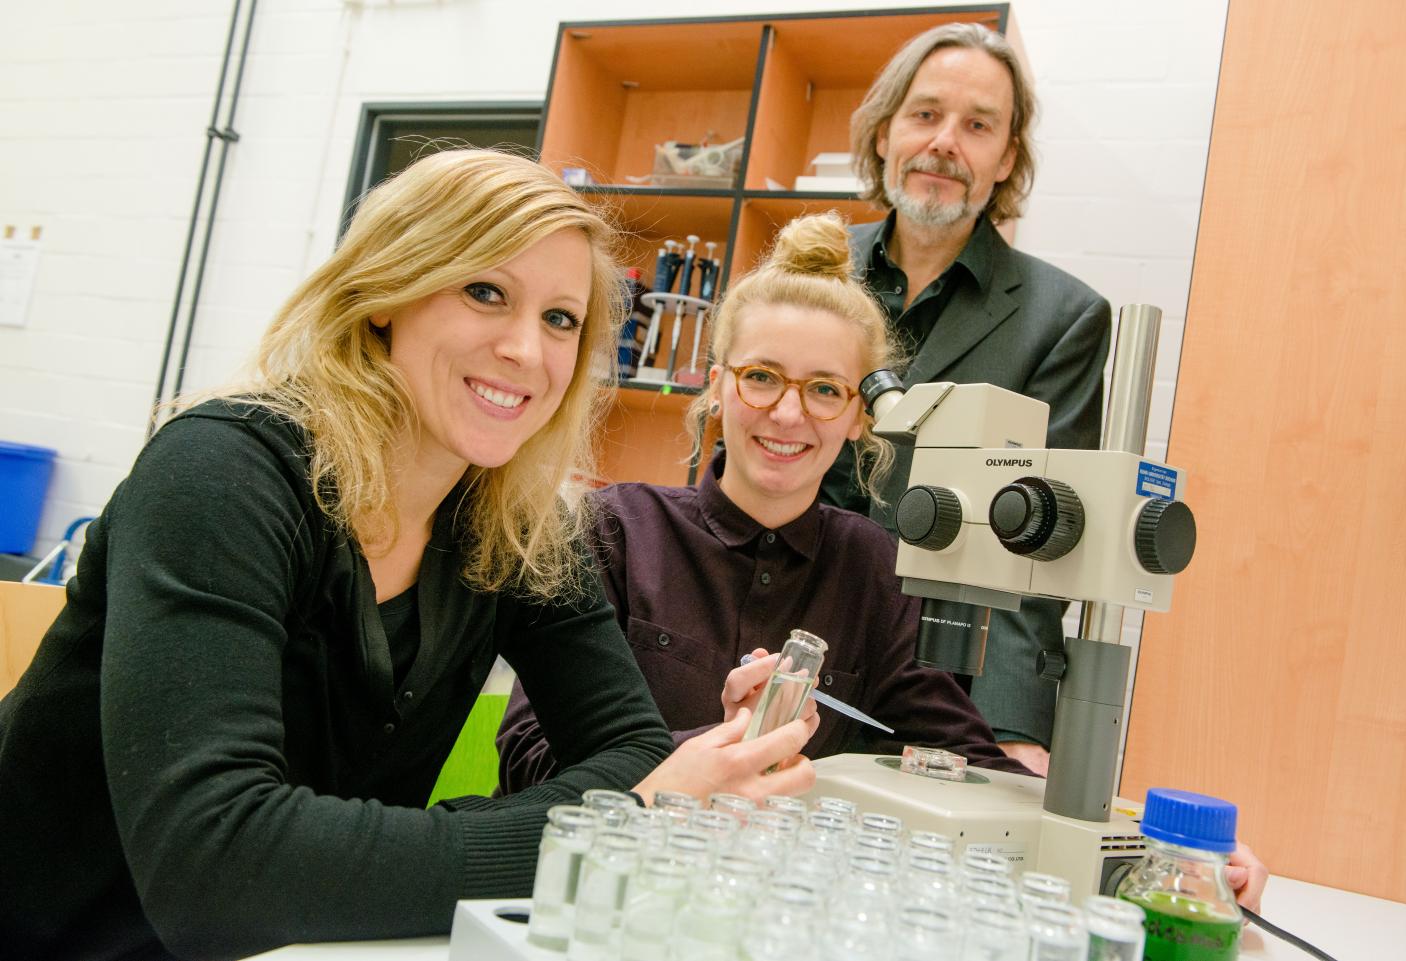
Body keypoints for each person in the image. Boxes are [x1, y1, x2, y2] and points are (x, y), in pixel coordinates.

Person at [0, 149, 814, 961]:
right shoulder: (222, 475)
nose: (527, 352)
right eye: (485, 291)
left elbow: (631, 750)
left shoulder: (519, 525)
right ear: (387, 293)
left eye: (561, 319)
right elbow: (216, 867)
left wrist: (633, 797)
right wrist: (612, 823)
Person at [496, 211, 1036, 797]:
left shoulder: (873, 568)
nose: (787, 413)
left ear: (860, 417)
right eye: (762, 377)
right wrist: (728, 748)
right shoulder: (616, 530)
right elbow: (529, 760)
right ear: (717, 387)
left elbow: (960, 752)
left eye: (826, 390)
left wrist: (1078, 818)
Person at [821, 23, 1114, 775]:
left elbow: (1042, 538)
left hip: (936, 678)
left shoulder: (1062, 319)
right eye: (925, 115)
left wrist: (1007, 727)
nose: (946, 142)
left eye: (978, 125)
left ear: (1006, 157)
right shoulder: (812, 267)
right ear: (886, 132)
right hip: (781, 638)